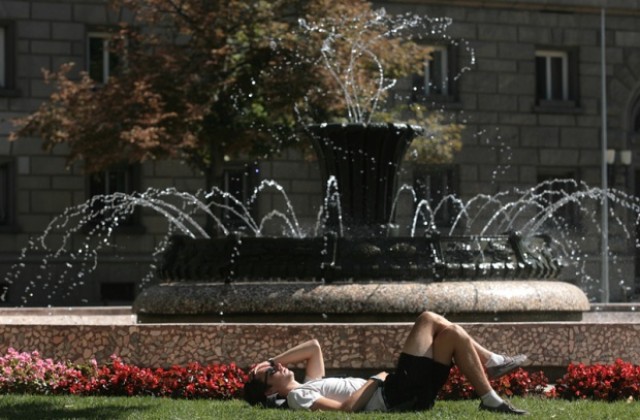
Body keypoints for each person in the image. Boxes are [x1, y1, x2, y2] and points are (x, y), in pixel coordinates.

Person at [243, 311, 529, 414]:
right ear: (270, 392)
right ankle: (491, 361)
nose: (275, 368)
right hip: (392, 394)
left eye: (271, 367)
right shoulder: (296, 396)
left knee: (452, 334)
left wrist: (271, 360)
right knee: (427, 318)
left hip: (403, 392)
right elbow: (346, 409)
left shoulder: (308, 384)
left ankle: (490, 399)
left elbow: (314, 348)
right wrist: (377, 378)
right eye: (269, 373)